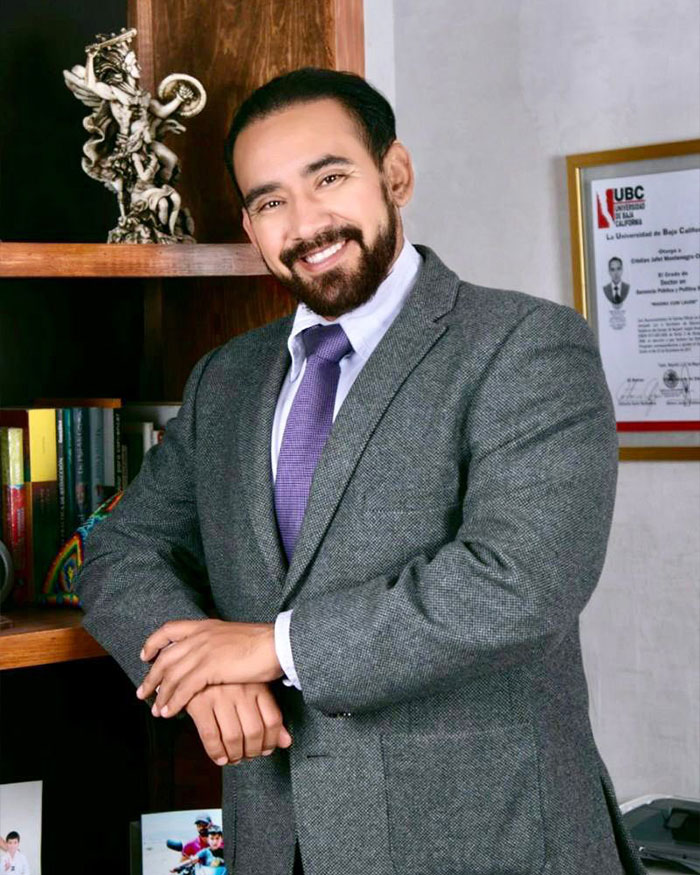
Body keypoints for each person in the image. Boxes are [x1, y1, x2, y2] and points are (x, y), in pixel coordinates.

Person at [77, 68, 646, 875]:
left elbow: (522, 580)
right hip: (279, 843)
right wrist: (201, 676)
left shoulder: (524, 344)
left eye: (330, 177)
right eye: (271, 201)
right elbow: (119, 547)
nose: (306, 223)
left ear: (396, 174)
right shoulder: (226, 378)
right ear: (248, 223)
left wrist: (268, 647)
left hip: (489, 842)